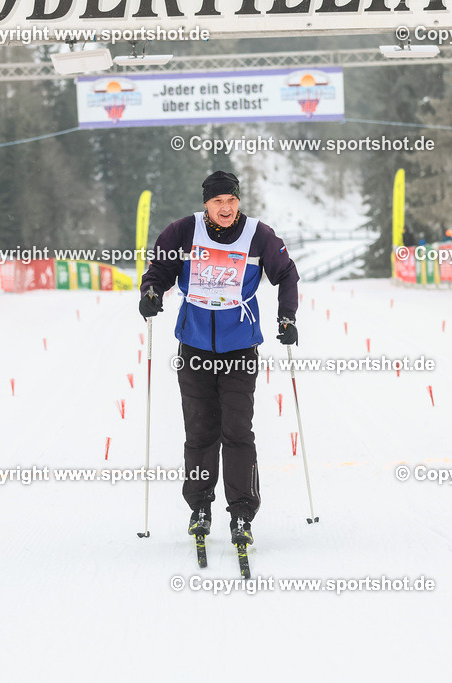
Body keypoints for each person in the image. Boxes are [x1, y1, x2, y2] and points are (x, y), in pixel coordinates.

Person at [138, 170, 300, 548]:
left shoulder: (259, 235)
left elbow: (286, 274)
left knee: (237, 431)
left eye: (231, 200)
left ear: (238, 201)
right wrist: (151, 293)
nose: (226, 208)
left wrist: (287, 317)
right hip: (194, 346)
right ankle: (200, 507)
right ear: (206, 204)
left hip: (240, 347)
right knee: (200, 431)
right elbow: (159, 270)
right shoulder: (182, 232)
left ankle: (241, 511)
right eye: (218, 202)